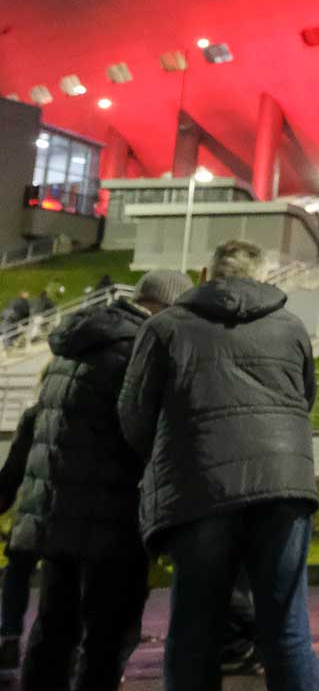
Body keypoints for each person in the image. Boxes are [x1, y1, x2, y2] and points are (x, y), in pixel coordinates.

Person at [117, 242, 319, 691]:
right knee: (288, 631)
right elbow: (305, 398)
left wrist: (170, 455)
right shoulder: (291, 326)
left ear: (205, 274)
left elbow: (134, 416)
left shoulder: (164, 327)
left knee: (195, 632)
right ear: (263, 277)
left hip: (200, 487)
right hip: (285, 487)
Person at [11, 270, 182, 691]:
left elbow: (37, 424)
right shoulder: (138, 350)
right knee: (108, 635)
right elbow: (144, 433)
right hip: (113, 516)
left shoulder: (72, 346)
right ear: (166, 308)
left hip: (57, 513)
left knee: (54, 627)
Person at [0, 402, 40, 674]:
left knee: (17, 571)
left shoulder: (34, 416)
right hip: (80, 513)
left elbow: (12, 471)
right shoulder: (103, 403)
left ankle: (11, 636)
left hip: (34, 510)